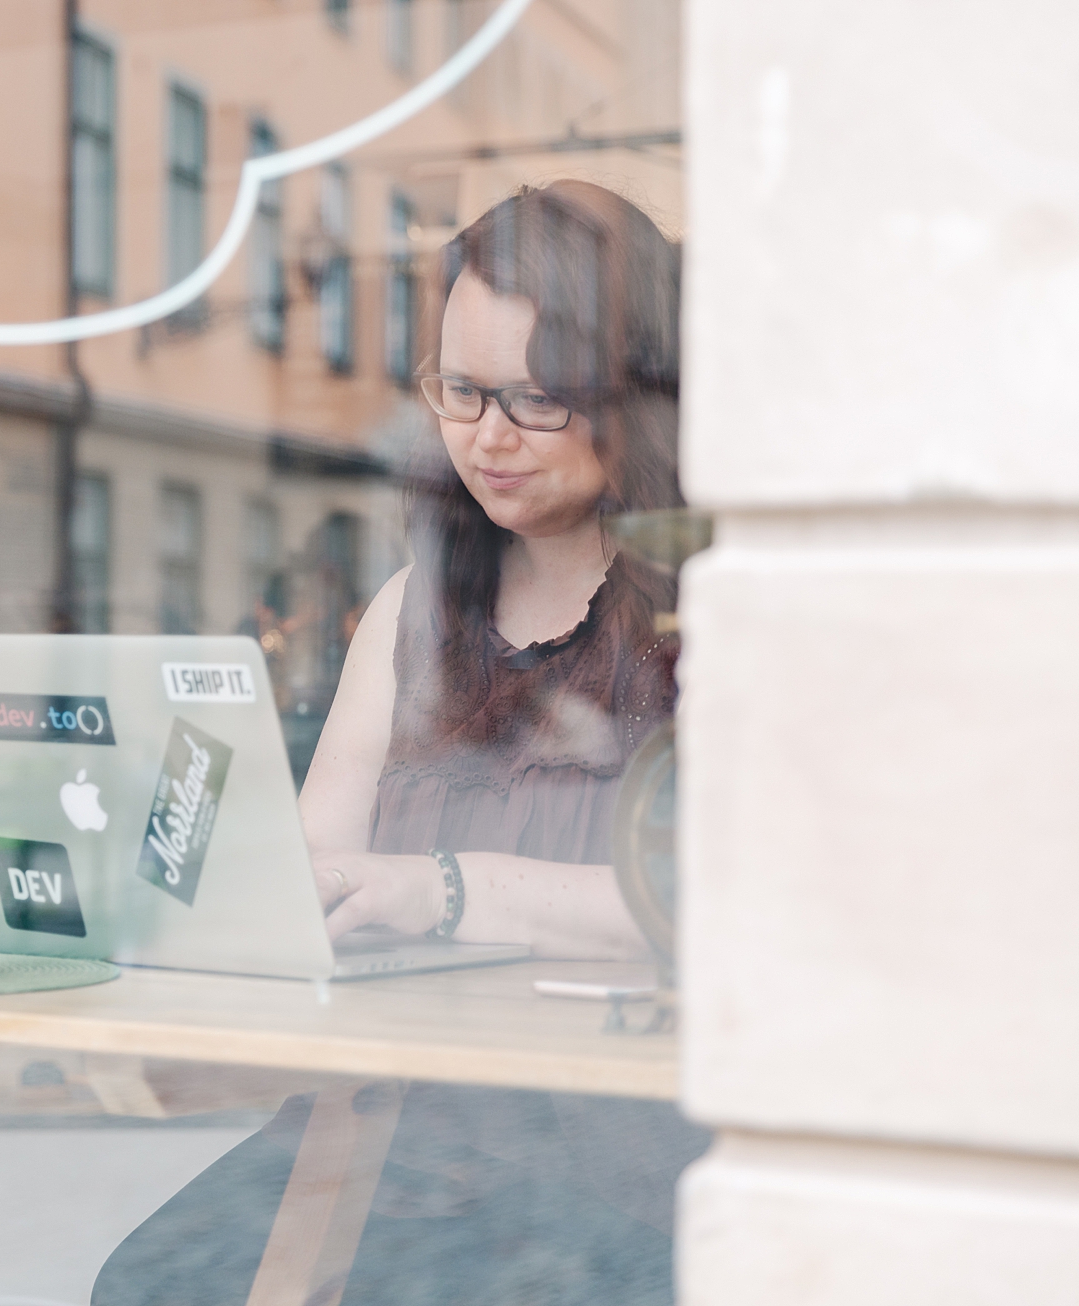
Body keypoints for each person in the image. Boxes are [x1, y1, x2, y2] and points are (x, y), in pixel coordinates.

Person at [92, 180, 707, 1306]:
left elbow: (720, 907)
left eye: (535, 400)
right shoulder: (412, 609)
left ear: (635, 393)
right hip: (394, 1128)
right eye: (459, 390)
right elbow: (313, 876)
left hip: (613, 1148)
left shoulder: (705, 619)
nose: (485, 436)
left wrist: (442, 888)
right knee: (145, 1288)